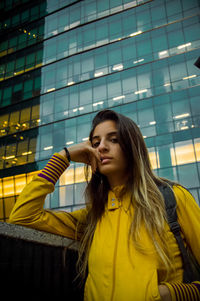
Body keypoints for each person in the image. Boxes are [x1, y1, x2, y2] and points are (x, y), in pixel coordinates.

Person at [9, 109, 200, 301]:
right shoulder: (94, 216)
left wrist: (175, 294)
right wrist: (63, 157)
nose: (102, 147)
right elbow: (23, 215)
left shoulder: (173, 198)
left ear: (132, 146)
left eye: (114, 139)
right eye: (95, 143)